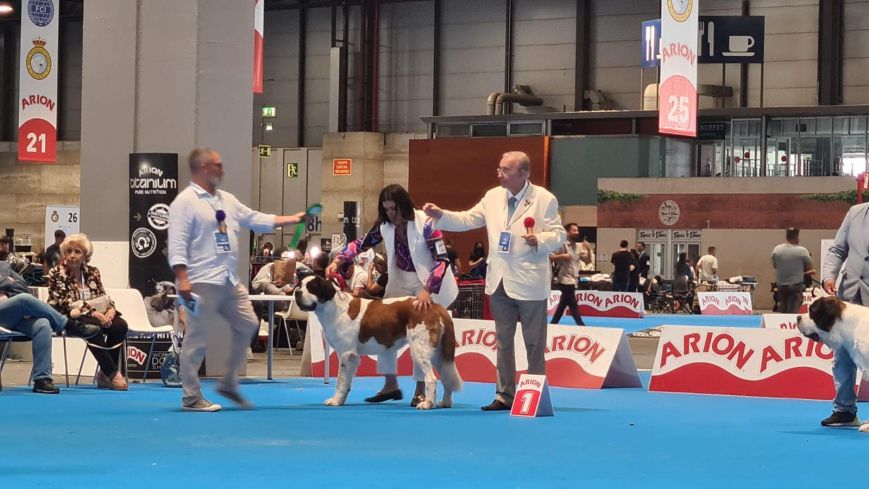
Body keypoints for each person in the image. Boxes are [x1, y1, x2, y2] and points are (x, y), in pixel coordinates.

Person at [423, 151, 565, 411]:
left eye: (505, 170)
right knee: (503, 342)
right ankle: (504, 395)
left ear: (523, 174)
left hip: (530, 282)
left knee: (534, 343)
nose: (499, 173)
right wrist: (442, 214)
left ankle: (533, 396)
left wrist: (541, 241)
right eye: (499, 168)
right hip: (498, 279)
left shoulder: (545, 199)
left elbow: (559, 234)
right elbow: (468, 219)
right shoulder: (492, 197)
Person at [168, 147, 306, 412]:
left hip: (228, 280)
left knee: (249, 323)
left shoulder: (227, 199)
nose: (222, 169)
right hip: (199, 282)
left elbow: (256, 219)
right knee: (197, 339)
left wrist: (293, 219)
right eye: (218, 165)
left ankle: (229, 381)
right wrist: (182, 279)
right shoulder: (184, 203)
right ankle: (191, 397)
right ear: (204, 168)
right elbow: (176, 245)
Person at [328, 184, 458, 407]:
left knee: (419, 335)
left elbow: (443, 260)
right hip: (399, 278)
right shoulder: (383, 225)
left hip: (425, 280)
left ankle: (420, 390)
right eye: (386, 209)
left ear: (404, 205)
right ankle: (390, 384)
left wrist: (427, 290)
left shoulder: (426, 223)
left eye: (394, 209)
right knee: (384, 328)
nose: (390, 213)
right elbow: (359, 244)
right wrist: (339, 259)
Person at [0, 261, 100, 393]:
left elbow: (20, 285)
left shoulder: (3, 265)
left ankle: (42, 379)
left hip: (15, 315)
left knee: (42, 324)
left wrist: (7, 286)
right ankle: (69, 325)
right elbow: (10, 285)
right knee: (24, 300)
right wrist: (6, 283)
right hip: (6, 313)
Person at [47, 233, 129, 391]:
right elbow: (65, 302)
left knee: (120, 325)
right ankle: (112, 374)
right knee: (94, 327)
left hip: (94, 315)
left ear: (85, 255)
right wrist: (94, 313)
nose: (72, 255)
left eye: (77, 252)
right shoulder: (56, 273)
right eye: (69, 251)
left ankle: (104, 374)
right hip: (66, 316)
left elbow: (103, 296)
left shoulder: (93, 272)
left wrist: (111, 309)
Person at [819, 204, 869, 428]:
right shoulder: (855, 212)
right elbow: (838, 249)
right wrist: (828, 276)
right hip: (850, 295)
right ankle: (844, 410)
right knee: (843, 354)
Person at [549, 223, 585, 325]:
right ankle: (581, 324)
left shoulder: (577, 246)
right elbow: (550, 256)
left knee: (564, 303)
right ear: (567, 232)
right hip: (564, 278)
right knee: (572, 303)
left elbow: (586, 260)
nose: (577, 232)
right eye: (574, 230)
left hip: (574, 278)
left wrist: (587, 251)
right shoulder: (561, 244)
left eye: (577, 230)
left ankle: (554, 323)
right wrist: (562, 256)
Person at [771, 228, 814, 314]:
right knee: (793, 310)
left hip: (781, 285)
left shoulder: (777, 250)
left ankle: (781, 325)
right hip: (796, 285)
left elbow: (775, 266)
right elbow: (809, 267)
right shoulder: (802, 251)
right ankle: (791, 325)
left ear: (786, 236)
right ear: (797, 237)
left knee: (783, 308)